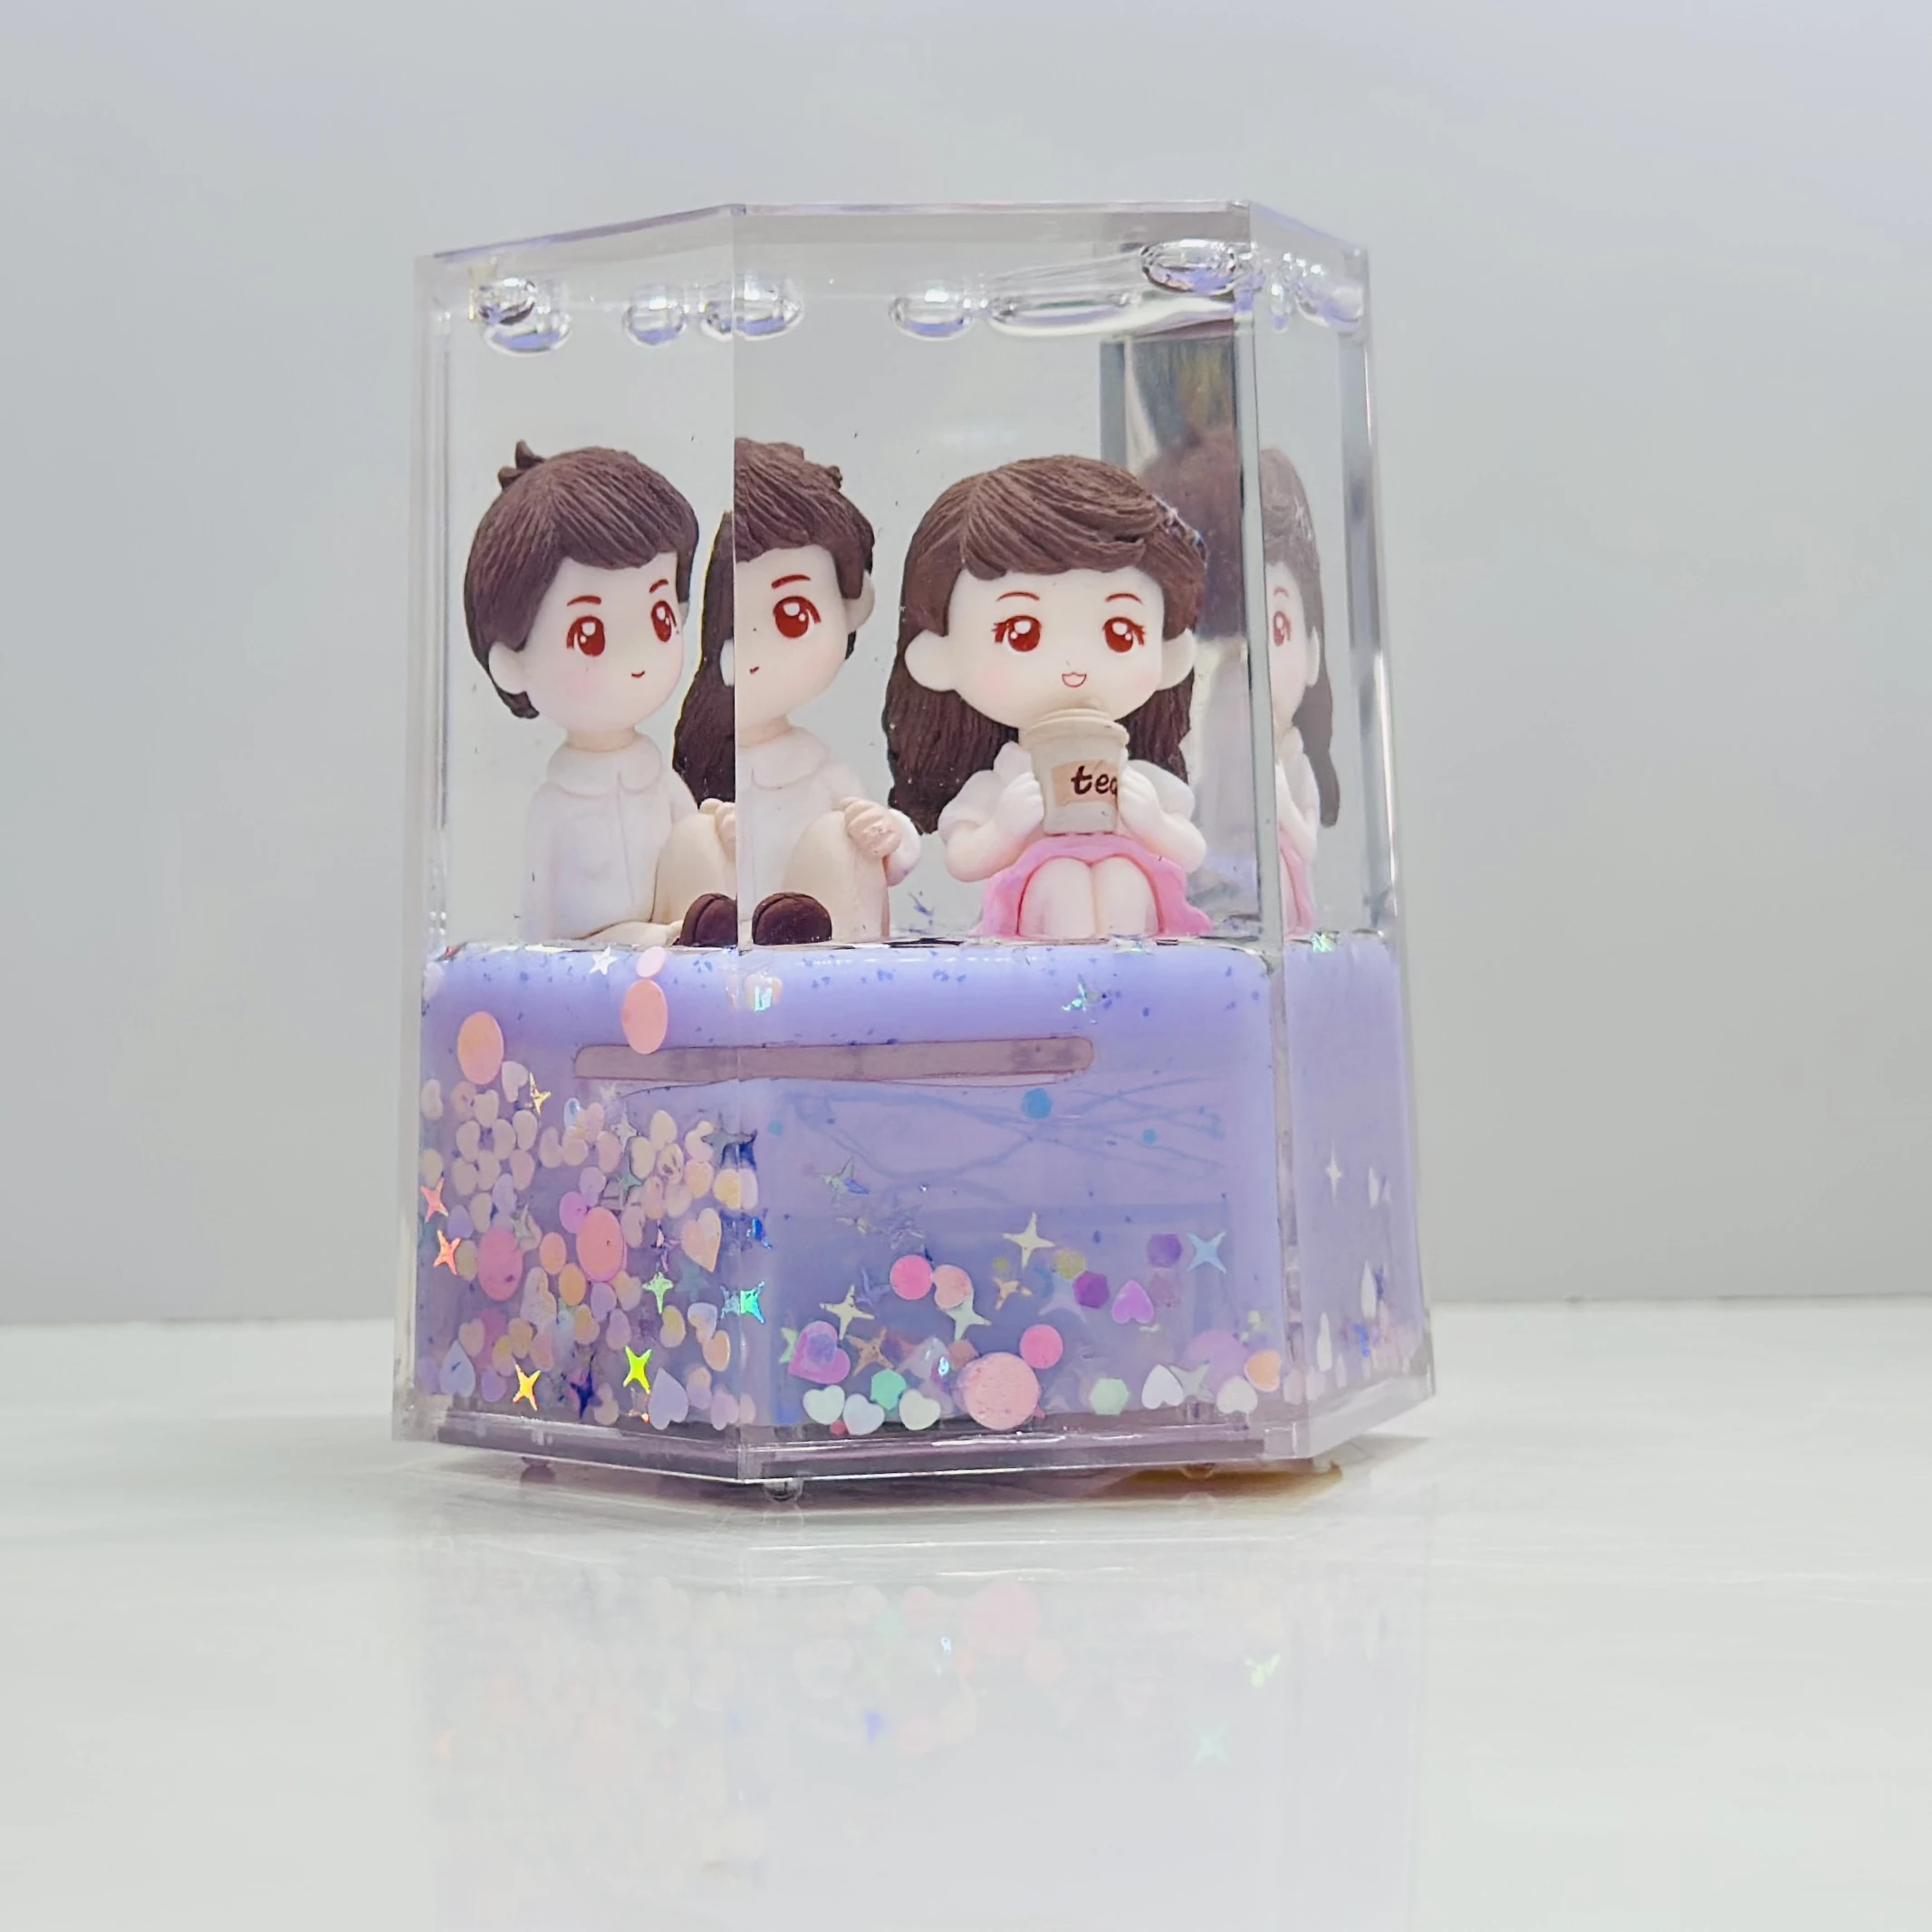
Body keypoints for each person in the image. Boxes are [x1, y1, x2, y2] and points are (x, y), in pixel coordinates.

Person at [884, 454, 1211, 940]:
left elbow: (1191, 850)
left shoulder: (1136, 776)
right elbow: (963, 858)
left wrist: (1154, 823)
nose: (1073, 664)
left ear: (1169, 652)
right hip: (1036, 915)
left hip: (1134, 902)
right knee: (1060, 881)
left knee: (1124, 880)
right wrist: (1003, 830)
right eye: (1021, 633)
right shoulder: (1007, 777)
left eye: (1120, 632)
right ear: (940, 656)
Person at [464, 442, 732, 943]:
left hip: (673, 936)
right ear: (512, 663)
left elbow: (693, 844)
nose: (636, 657)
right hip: (591, 957)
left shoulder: (661, 783)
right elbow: (537, 911)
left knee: (701, 836)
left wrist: (721, 835)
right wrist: (536, 968)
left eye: (659, 616)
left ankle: (706, 935)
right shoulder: (554, 808)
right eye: (589, 633)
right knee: (661, 938)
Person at [671, 439, 920, 945]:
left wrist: (887, 832)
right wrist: (719, 828)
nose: (757, 650)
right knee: (700, 836)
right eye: (735, 628)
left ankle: (804, 930)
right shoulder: (705, 768)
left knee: (838, 836)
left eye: (791, 616)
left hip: (823, 950)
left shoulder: (818, 769)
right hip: (731, 951)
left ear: (849, 608)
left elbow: (889, 854)